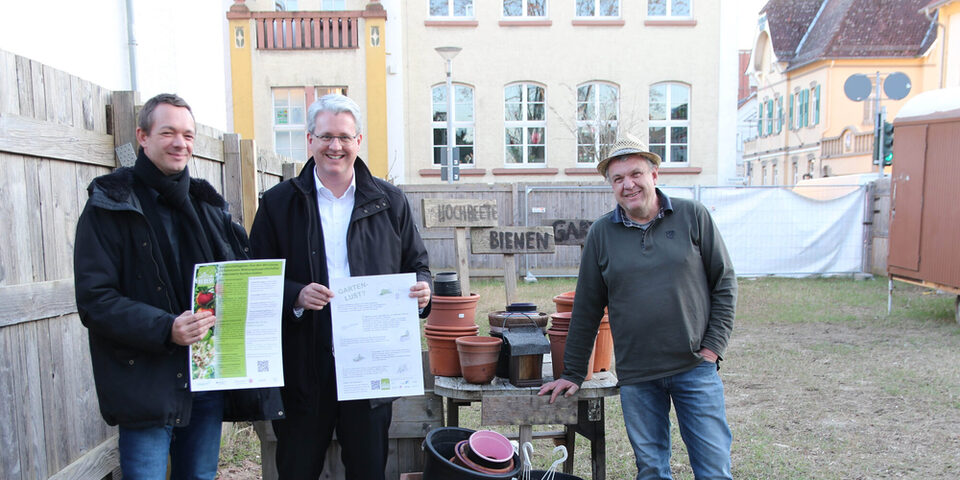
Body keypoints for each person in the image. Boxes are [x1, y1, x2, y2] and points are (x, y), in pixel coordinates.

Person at [74, 93, 282, 479]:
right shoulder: (110, 205)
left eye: (187, 134)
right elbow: (94, 300)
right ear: (142, 136)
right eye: (167, 132)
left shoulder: (208, 207)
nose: (179, 143)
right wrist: (165, 327)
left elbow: (238, 280)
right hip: (144, 382)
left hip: (205, 376)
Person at [249, 93, 432, 479]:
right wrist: (295, 294)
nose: (336, 146)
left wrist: (422, 290)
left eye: (345, 137)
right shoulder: (279, 203)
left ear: (359, 141)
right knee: (298, 468)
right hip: (302, 361)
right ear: (310, 140)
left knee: (367, 469)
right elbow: (256, 279)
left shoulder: (390, 201)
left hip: (369, 361)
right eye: (327, 136)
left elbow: (418, 266)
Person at [539, 136, 738, 480]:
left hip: (694, 367)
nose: (628, 185)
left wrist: (712, 348)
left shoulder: (693, 216)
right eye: (618, 179)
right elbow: (586, 306)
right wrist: (572, 372)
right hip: (638, 376)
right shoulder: (602, 233)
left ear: (654, 175)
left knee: (713, 469)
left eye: (635, 174)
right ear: (611, 186)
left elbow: (724, 282)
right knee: (651, 470)